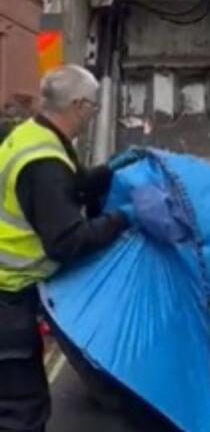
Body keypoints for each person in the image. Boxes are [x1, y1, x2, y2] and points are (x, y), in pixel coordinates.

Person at [0, 65, 129, 432]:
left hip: (9, 289)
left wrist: (105, 172)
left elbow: (64, 189)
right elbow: (67, 243)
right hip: (7, 297)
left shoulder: (34, 134)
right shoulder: (44, 162)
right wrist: (124, 219)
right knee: (20, 409)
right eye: (93, 107)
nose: (93, 115)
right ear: (77, 105)